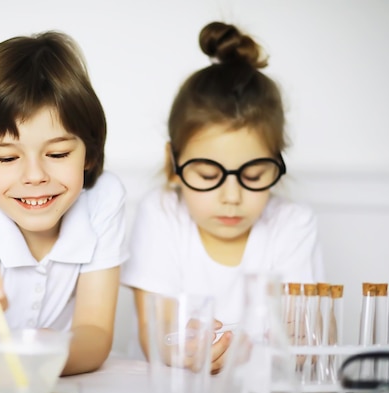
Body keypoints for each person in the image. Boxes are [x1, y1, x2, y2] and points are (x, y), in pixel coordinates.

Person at [0, 31, 127, 378]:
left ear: (87, 153)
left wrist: (45, 354)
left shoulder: (103, 200)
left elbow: (96, 335)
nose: (34, 176)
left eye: (58, 153)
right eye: (6, 157)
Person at [120, 21, 324, 373]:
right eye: (208, 176)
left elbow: (308, 337)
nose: (232, 196)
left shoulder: (292, 225)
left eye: (254, 175)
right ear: (174, 163)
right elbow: (157, 330)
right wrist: (183, 352)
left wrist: (274, 350)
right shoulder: (162, 213)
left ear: (276, 163)